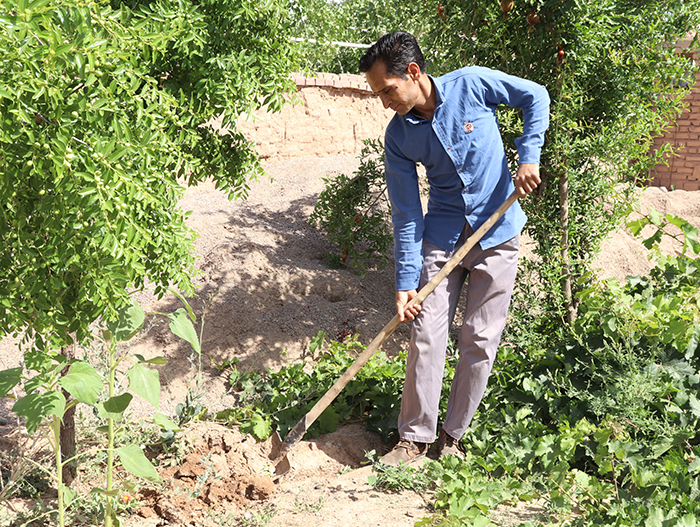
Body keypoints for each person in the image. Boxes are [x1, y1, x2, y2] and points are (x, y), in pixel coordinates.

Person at [358, 31, 550, 465]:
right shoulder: (399, 137)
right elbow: (407, 212)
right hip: (442, 237)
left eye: (387, 91)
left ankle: (452, 436)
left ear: (412, 73)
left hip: (497, 233)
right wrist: (406, 281)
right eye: (379, 96)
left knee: (480, 338)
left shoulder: (472, 84)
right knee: (426, 333)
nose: (385, 102)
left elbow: (535, 96)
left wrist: (528, 156)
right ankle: (414, 438)